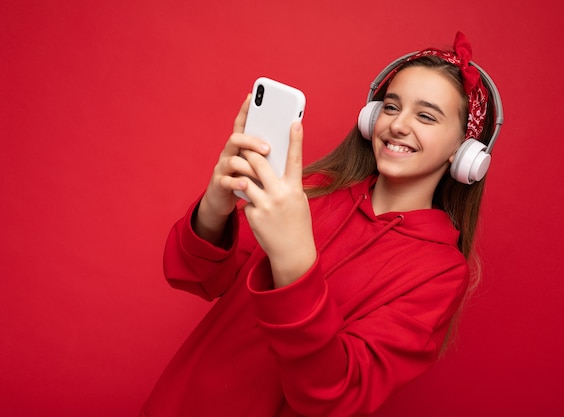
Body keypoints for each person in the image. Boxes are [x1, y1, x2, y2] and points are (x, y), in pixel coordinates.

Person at [141, 31, 501, 417]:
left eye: (426, 116)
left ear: (464, 151)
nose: (397, 125)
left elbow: (335, 395)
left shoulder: (440, 272)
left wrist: (294, 260)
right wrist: (216, 202)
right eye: (391, 107)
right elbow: (194, 276)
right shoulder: (310, 190)